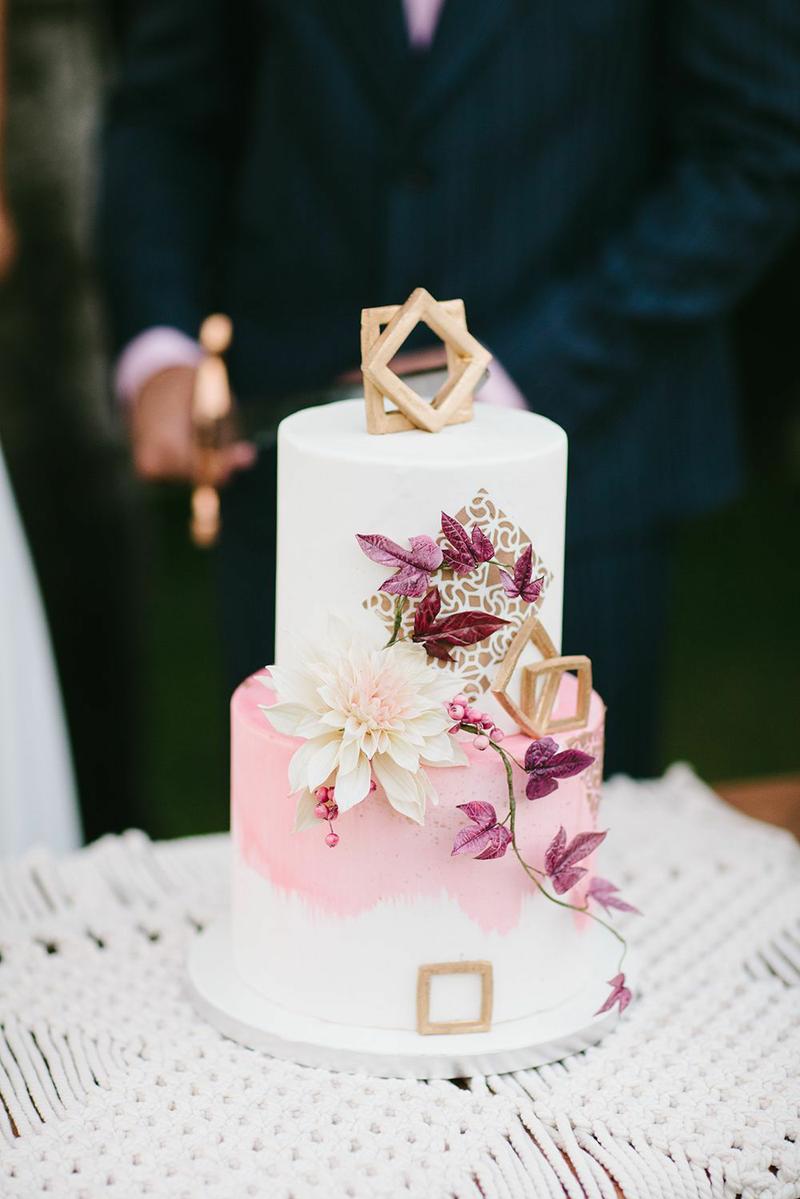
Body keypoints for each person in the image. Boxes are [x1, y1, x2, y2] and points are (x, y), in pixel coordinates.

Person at [98, 0, 800, 777]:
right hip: (292, 457)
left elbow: (754, 149)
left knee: (542, 835)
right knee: (306, 842)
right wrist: (160, 344)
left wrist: (526, 368)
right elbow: (166, 118)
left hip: (586, 467)